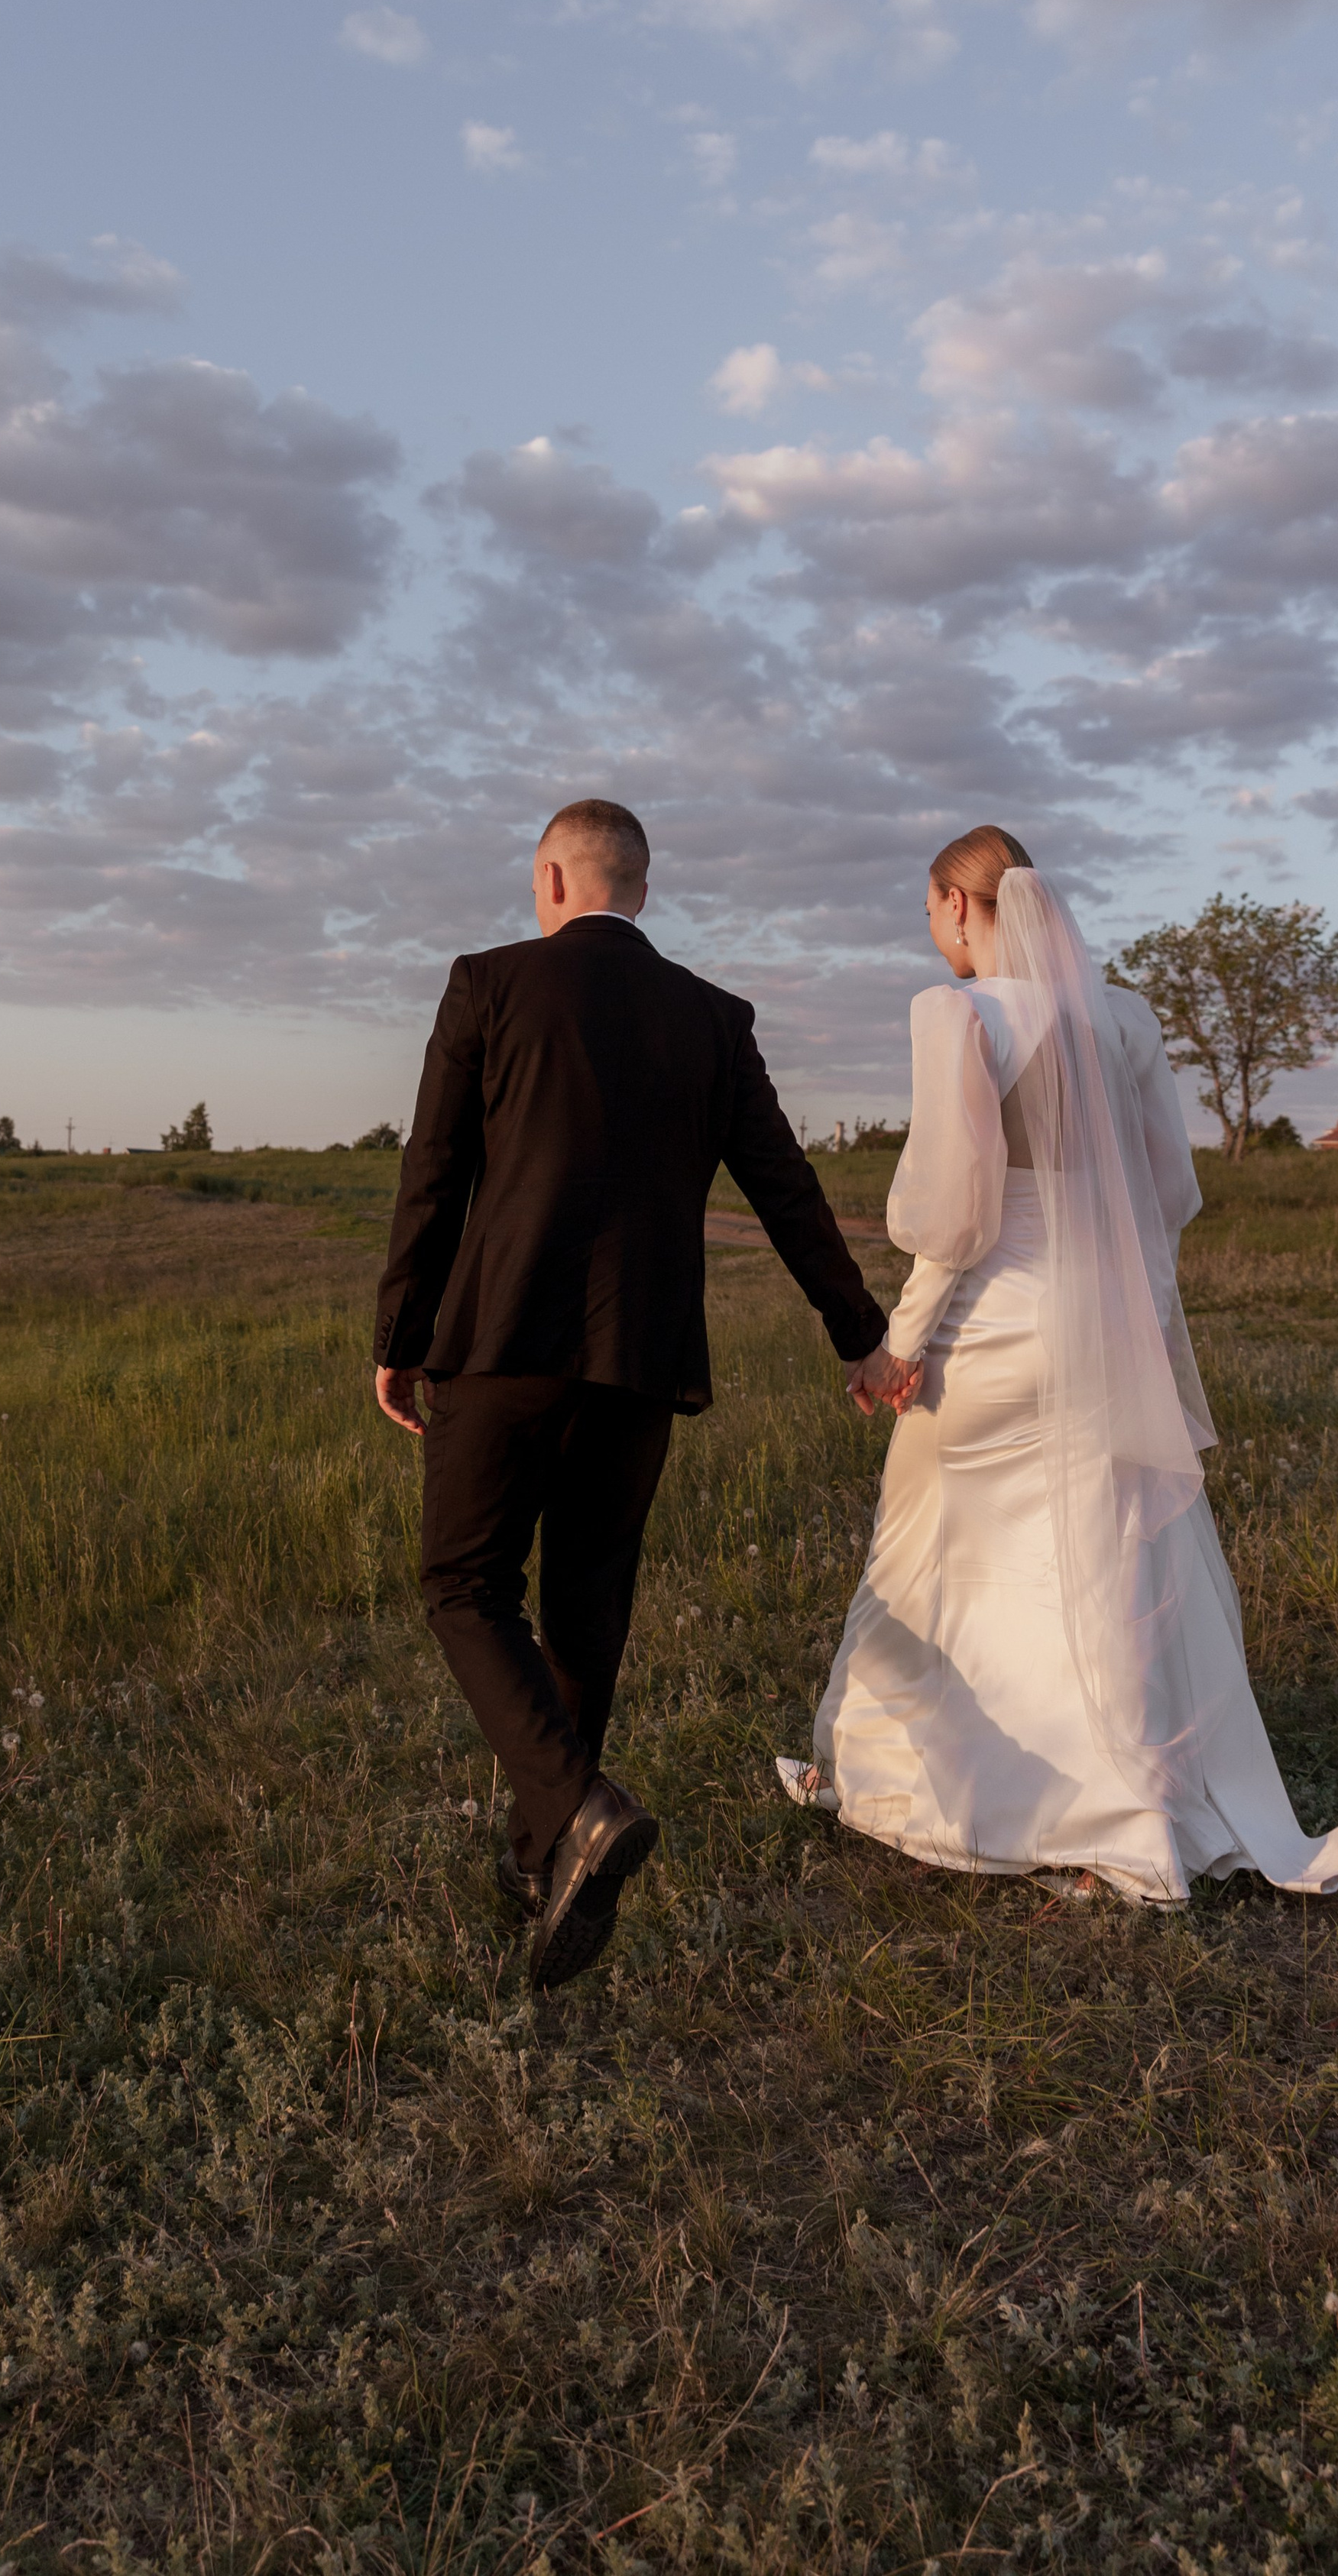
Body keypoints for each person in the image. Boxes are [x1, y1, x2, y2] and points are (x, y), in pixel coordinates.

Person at [374, 798, 904, 1989]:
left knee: (463, 1584)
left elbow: (433, 1174)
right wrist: (857, 1337)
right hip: (641, 1358)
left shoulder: (488, 984)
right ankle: (539, 1864)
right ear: (643, 892)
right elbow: (787, 1187)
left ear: (551, 880)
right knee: (586, 1605)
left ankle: (579, 1807)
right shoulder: (713, 1019)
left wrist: (400, 1336)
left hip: (500, 1342)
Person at [779, 826, 1338, 1908]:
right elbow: (1167, 1196)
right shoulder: (1127, 1019)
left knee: (929, 1552)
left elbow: (953, 1222)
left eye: (929, 912)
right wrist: (1126, 1304)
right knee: (1106, 1564)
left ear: (961, 906)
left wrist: (899, 1346)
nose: (934, 934)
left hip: (991, 1329)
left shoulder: (952, 1014)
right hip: (1101, 1328)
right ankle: (1130, 1817)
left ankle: (886, 1771)